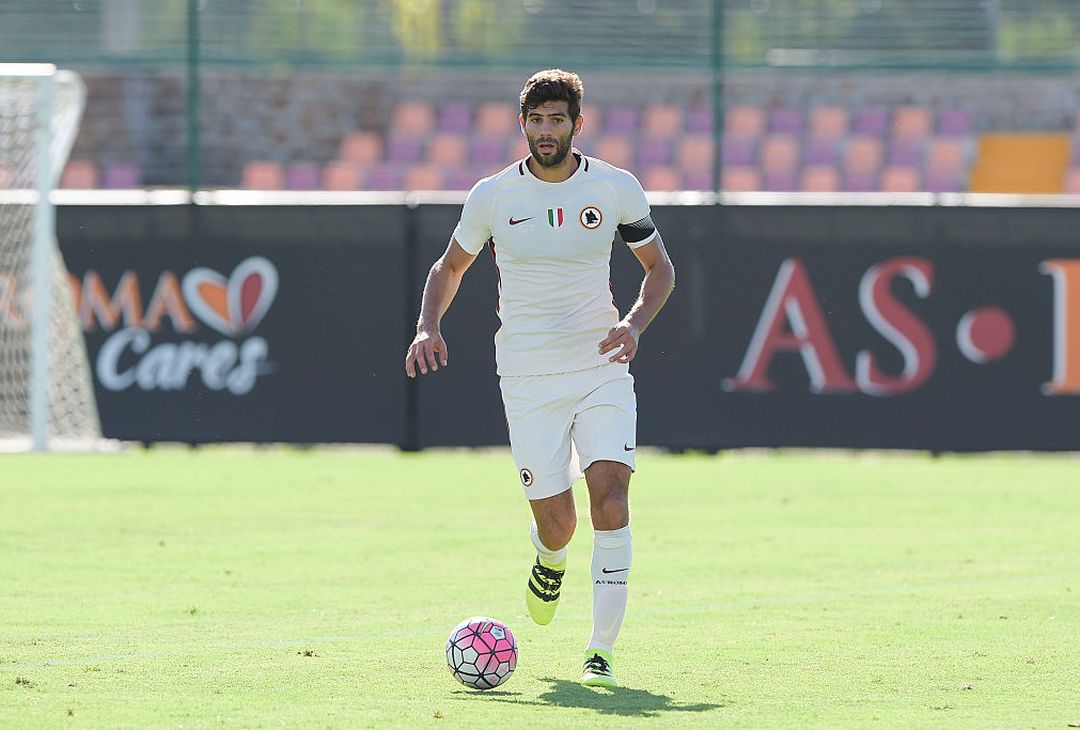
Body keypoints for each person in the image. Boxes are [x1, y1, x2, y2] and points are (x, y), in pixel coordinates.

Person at [404, 69, 675, 688]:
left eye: (558, 120)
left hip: (602, 367)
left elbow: (659, 269)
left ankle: (600, 652)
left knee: (610, 500)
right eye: (537, 120)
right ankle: (548, 557)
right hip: (526, 376)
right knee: (560, 524)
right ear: (522, 124)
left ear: (578, 125)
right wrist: (428, 326)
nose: (546, 130)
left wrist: (633, 325)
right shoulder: (494, 196)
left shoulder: (614, 187)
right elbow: (450, 268)